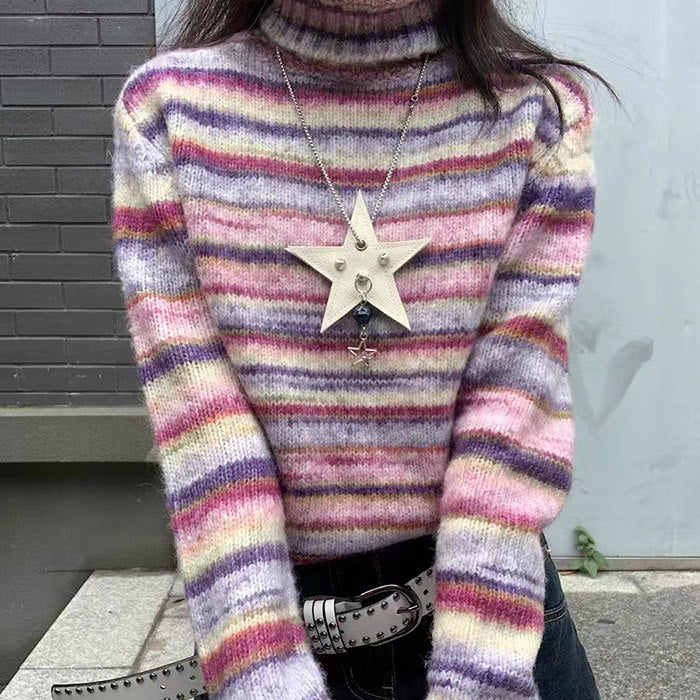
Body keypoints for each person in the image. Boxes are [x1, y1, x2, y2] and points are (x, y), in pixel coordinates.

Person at [110, 1, 616, 698]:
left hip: (497, 628)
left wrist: (480, 676)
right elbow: (201, 420)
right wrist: (260, 670)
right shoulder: (168, 112)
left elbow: (513, 402)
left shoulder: (539, 115)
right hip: (275, 641)